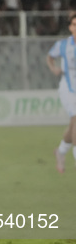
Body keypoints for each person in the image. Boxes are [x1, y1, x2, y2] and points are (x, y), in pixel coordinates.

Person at [48, 13, 76, 173]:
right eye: (74, 24)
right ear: (70, 27)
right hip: (68, 87)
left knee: (74, 123)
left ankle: (60, 151)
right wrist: (54, 68)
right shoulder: (63, 45)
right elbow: (49, 57)